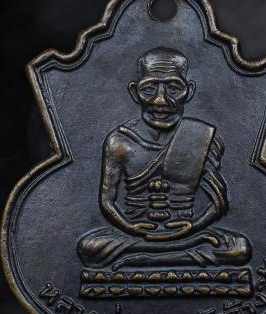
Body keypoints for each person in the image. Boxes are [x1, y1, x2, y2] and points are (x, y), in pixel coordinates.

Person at [77, 47, 250, 270]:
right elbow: (107, 201)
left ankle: (143, 260)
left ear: (189, 91)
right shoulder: (119, 141)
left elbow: (219, 202)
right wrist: (129, 228)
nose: (160, 100)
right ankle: (174, 257)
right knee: (89, 247)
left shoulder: (200, 136)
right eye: (149, 89)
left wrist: (193, 227)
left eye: (173, 88)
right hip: (136, 233)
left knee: (239, 248)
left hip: (189, 233)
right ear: (134, 92)